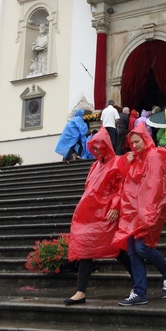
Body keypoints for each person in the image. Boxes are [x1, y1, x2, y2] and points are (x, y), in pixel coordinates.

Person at [64, 127, 133, 305]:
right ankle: (80, 291)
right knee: (86, 250)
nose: (95, 150)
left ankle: (138, 282)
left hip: (107, 213)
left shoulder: (117, 162)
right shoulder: (95, 165)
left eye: (98, 146)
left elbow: (122, 185)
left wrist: (116, 206)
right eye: (93, 147)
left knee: (117, 250)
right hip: (92, 213)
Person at [112, 123, 166, 306]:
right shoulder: (138, 159)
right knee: (133, 251)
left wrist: (148, 212)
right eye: (132, 143)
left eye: (137, 141)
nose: (135, 145)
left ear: (145, 138)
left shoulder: (154, 156)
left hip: (146, 211)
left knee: (141, 248)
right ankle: (140, 292)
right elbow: (126, 181)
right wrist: (128, 162)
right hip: (133, 213)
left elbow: (155, 185)